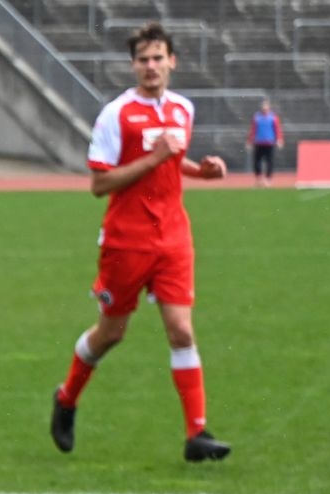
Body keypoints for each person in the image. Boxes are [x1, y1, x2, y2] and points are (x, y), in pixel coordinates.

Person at [49, 22, 231, 463]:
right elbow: (99, 183)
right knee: (111, 333)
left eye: (158, 58)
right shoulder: (116, 115)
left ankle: (196, 434)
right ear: (132, 65)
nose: (151, 66)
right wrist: (156, 158)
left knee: (182, 329)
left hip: (173, 237)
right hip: (126, 240)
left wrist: (200, 171)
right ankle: (67, 398)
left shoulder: (182, 109)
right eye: (143, 59)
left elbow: (172, 159)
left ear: (172, 62)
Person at [248, 98, 282, 187]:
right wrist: (250, 141)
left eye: (266, 106)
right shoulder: (257, 117)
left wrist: (279, 139)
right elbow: (253, 130)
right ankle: (258, 179)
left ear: (269, 107)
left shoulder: (273, 117)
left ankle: (268, 179)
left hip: (269, 143)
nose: (264, 108)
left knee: (269, 162)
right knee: (257, 162)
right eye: (263, 106)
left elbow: (277, 129)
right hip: (259, 143)